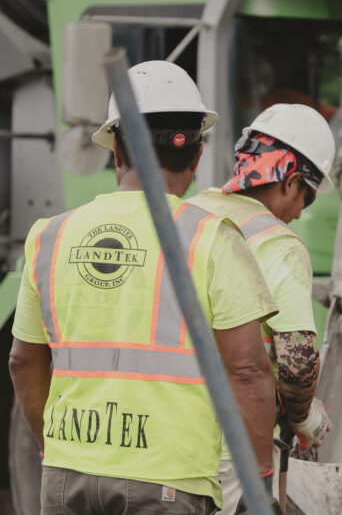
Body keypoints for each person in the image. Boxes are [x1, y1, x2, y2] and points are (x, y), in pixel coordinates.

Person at [9, 60, 278, 514]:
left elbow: (22, 362)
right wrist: (260, 485)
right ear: (195, 157)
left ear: (116, 150)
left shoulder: (48, 236)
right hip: (169, 480)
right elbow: (248, 371)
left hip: (66, 475)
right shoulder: (212, 238)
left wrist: (57, 450)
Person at [188, 103, 334, 513]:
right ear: (290, 181)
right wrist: (304, 416)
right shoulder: (277, 241)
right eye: (305, 197)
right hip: (232, 449)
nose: (300, 212)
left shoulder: (189, 214)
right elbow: (298, 362)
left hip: (168, 437)